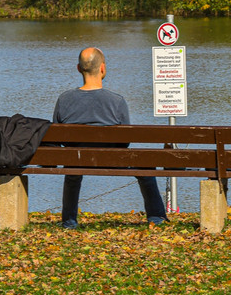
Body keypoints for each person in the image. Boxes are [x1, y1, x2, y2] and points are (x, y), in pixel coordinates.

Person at [52, 46, 168, 229]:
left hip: (77, 160)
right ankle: (156, 218)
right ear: (103, 68)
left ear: (78, 68)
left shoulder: (64, 99)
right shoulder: (117, 101)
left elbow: (58, 136)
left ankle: (69, 221)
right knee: (146, 166)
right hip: (114, 159)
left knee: (71, 169)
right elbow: (125, 140)